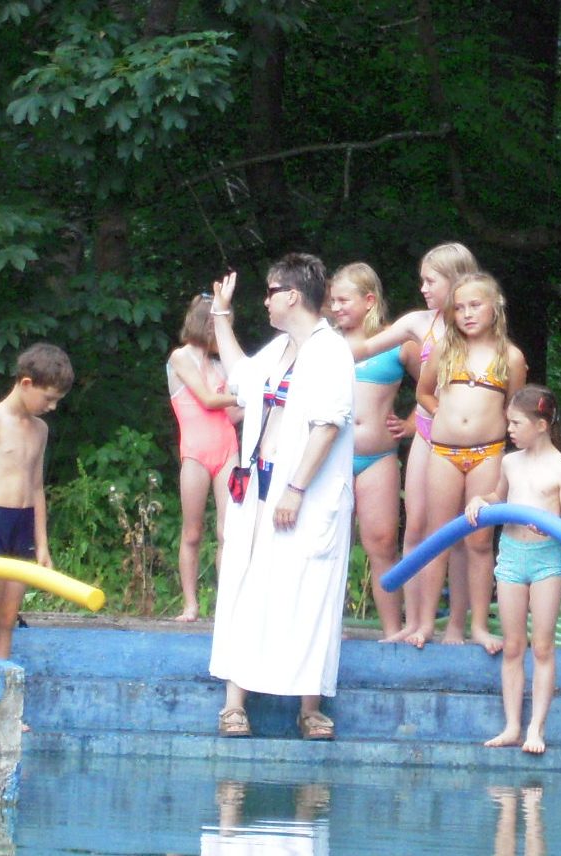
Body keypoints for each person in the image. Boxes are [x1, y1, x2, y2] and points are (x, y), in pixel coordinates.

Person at [206, 254, 356, 742]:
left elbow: (328, 424)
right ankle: (234, 703)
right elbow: (242, 380)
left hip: (304, 493)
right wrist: (221, 315)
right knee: (246, 582)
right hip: (259, 487)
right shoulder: (281, 348)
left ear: (292, 295)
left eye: (271, 292)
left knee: (309, 591)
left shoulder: (330, 351)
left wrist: (296, 488)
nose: (265, 301)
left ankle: (310, 707)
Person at [353, 243, 482, 646]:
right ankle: (416, 622)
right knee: (417, 526)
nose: (423, 288)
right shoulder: (417, 322)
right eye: (422, 281)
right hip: (429, 432)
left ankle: (456, 625)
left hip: (466, 440)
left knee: (457, 532)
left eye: (430, 281)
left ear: (456, 280)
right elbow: (365, 348)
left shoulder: (477, 324)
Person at [418, 272, 527, 655]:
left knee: (479, 541)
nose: (466, 314)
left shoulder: (510, 357)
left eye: (475, 305)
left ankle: (476, 625)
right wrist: (442, 414)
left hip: (487, 452)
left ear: (495, 307)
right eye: (459, 307)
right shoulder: (444, 350)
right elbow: (423, 392)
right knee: (439, 538)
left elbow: (515, 407)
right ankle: (426, 623)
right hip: (444, 453)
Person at [466, 385, 561, 755]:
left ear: (541, 425)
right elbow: (498, 497)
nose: (509, 429)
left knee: (542, 646)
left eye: (516, 423)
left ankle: (536, 728)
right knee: (513, 645)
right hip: (511, 557)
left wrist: (550, 527)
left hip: (546, 561)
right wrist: (480, 500)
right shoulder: (510, 462)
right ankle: (512, 725)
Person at [0, 343, 75, 659]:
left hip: (23, 525)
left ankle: (2, 683)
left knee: (8, 618)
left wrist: (43, 544)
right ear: (26, 383)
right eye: (48, 398)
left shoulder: (40, 429)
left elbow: (36, 487)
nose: (52, 407)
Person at [329, 262, 415, 640]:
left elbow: (439, 385)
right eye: (332, 301)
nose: (336, 307)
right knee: (330, 545)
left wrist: (412, 424)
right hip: (331, 457)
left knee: (382, 543)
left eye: (343, 300)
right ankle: (326, 629)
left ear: (368, 300)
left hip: (378, 456)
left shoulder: (397, 341)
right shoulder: (324, 343)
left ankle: (392, 631)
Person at [166, 294, 239, 622]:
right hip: (195, 452)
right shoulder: (180, 357)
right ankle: (190, 604)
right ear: (208, 325)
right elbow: (209, 400)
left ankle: (227, 605)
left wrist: (267, 399)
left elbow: (233, 414)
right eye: (222, 326)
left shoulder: (221, 365)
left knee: (228, 532)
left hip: (227, 448)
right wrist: (246, 394)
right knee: (192, 532)